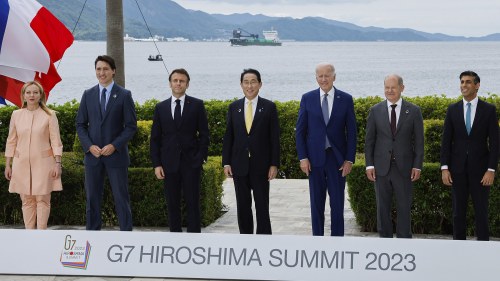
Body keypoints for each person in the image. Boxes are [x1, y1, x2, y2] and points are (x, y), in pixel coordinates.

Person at [76, 55, 137, 231]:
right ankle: (92, 235)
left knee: (121, 198)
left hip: (116, 156)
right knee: (92, 199)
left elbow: (131, 127)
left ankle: (126, 235)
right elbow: (80, 125)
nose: (101, 73)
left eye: (105, 69)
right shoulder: (88, 95)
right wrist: (89, 146)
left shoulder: (124, 95)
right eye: (98, 69)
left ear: (113, 71)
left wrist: (114, 145)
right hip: (93, 157)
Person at [295, 63, 357, 236]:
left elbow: (352, 133)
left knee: (337, 205)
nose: (324, 79)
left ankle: (337, 241)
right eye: (320, 76)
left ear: (334, 77)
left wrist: (349, 159)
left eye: (327, 75)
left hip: (337, 160)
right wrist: (303, 158)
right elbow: (300, 131)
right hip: (314, 160)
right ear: (316, 78)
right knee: (316, 204)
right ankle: (318, 241)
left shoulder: (345, 99)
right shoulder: (307, 98)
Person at [440, 70, 499, 241]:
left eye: (467, 82)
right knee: (458, 213)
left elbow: (495, 144)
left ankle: (483, 249)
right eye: (462, 82)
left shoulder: (488, 110)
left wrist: (491, 170)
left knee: (481, 212)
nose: (463, 85)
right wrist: (445, 168)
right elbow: (446, 141)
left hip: (481, 171)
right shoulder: (452, 109)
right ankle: (458, 248)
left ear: (477, 85)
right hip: (456, 170)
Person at [150, 68, 209, 233]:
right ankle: (174, 238)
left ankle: (194, 239)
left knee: (193, 203)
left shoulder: (197, 105)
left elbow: (204, 135)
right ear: (170, 83)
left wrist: (200, 158)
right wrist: (157, 164)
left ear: (187, 84)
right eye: (175, 80)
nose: (178, 83)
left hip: (191, 163)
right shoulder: (160, 107)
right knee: (172, 204)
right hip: (168, 164)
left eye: (182, 81)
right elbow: (155, 139)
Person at [364, 74, 424, 238]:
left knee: (404, 207)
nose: (389, 91)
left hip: (404, 168)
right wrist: (369, 165)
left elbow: (419, 142)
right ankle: (385, 242)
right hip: (381, 168)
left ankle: (404, 241)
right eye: (386, 87)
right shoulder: (375, 111)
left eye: (393, 87)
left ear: (402, 88)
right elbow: (369, 141)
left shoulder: (413, 111)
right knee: (382, 208)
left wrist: (417, 165)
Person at [222, 68, 280, 234]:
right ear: (241, 85)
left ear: (260, 84)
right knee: (243, 205)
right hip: (239, 164)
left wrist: (274, 164)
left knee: (262, 205)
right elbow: (229, 137)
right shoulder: (234, 107)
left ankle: (264, 239)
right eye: (246, 82)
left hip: (261, 165)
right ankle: (245, 239)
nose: (250, 85)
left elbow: (274, 138)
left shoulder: (269, 107)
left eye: (253, 82)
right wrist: (226, 162)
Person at [4, 81, 63, 229]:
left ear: (40, 95)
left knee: (42, 200)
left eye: (35, 92)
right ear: (23, 95)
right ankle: (29, 235)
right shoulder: (16, 115)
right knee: (26, 200)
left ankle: (41, 235)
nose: (32, 95)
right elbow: (11, 141)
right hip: (21, 164)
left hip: (44, 164)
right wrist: (8, 164)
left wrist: (58, 163)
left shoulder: (49, 115)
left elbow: (56, 141)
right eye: (28, 92)